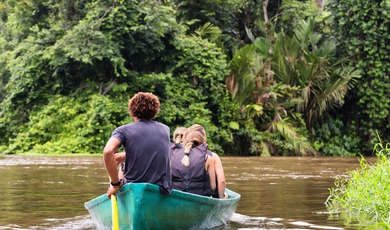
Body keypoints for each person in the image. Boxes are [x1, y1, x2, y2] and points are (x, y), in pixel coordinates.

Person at [103, 92, 172, 198]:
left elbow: (108, 151)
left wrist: (116, 184)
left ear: (132, 111)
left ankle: (115, 185)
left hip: (133, 187)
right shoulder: (165, 129)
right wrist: (126, 156)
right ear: (155, 111)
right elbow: (151, 149)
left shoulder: (123, 130)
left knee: (118, 169)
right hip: (161, 188)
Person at [185, 124, 228, 199]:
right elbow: (222, 181)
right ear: (203, 137)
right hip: (205, 196)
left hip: (183, 192)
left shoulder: (182, 154)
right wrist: (222, 198)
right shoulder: (213, 156)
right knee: (226, 195)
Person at [171, 130, 216, 197]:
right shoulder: (208, 158)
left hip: (176, 197)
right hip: (200, 198)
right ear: (202, 143)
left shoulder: (173, 155)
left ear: (185, 141)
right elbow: (213, 186)